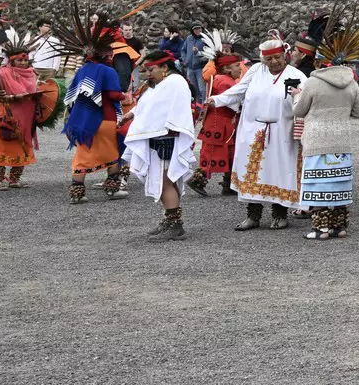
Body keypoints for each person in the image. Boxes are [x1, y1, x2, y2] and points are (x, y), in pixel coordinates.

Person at [208, 35, 304, 230]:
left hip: (282, 132)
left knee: (279, 171)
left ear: (284, 55)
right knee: (252, 172)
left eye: (277, 57)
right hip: (254, 129)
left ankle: (280, 214)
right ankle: (253, 215)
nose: (274, 62)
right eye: (269, 59)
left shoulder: (296, 75)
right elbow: (239, 90)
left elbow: (304, 101)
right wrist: (217, 100)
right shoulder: (255, 71)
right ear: (263, 59)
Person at [292, 18, 359, 241]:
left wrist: (296, 97)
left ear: (318, 62)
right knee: (338, 185)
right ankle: (339, 226)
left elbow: (299, 111)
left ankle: (321, 228)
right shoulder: (351, 83)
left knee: (318, 185)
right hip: (341, 142)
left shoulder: (311, 83)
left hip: (317, 141)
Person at [123, 49, 198, 240]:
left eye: (151, 69)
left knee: (164, 181)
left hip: (166, 139)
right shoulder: (164, 83)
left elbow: (168, 112)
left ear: (165, 67)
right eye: (146, 70)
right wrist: (131, 115)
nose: (148, 74)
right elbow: (148, 106)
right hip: (160, 137)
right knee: (166, 180)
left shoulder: (175, 83)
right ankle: (169, 219)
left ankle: (175, 225)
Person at [60, 14, 128, 203]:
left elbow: (72, 95)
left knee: (82, 154)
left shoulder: (82, 70)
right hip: (105, 118)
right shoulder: (108, 70)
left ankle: (77, 193)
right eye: (110, 52)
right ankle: (112, 189)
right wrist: (126, 96)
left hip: (81, 119)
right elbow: (113, 94)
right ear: (106, 54)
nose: (112, 55)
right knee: (113, 154)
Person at [0, 29, 57, 191]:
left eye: (25, 60)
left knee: (22, 145)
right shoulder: (1, 73)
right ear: (11, 60)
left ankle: (14, 179)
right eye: (19, 60)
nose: (23, 63)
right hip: (6, 114)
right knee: (1, 145)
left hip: (26, 116)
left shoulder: (32, 73)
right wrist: (13, 98)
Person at [189, 44, 245, 198]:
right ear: (227, 68)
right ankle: (200, 180)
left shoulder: (220, 79)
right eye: (236, 66)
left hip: (219, 122)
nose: (240, 69)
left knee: (224, 151)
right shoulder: (227, 82)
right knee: (214, 152)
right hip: (219, 123)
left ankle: (227, 184)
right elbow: (234, 103)